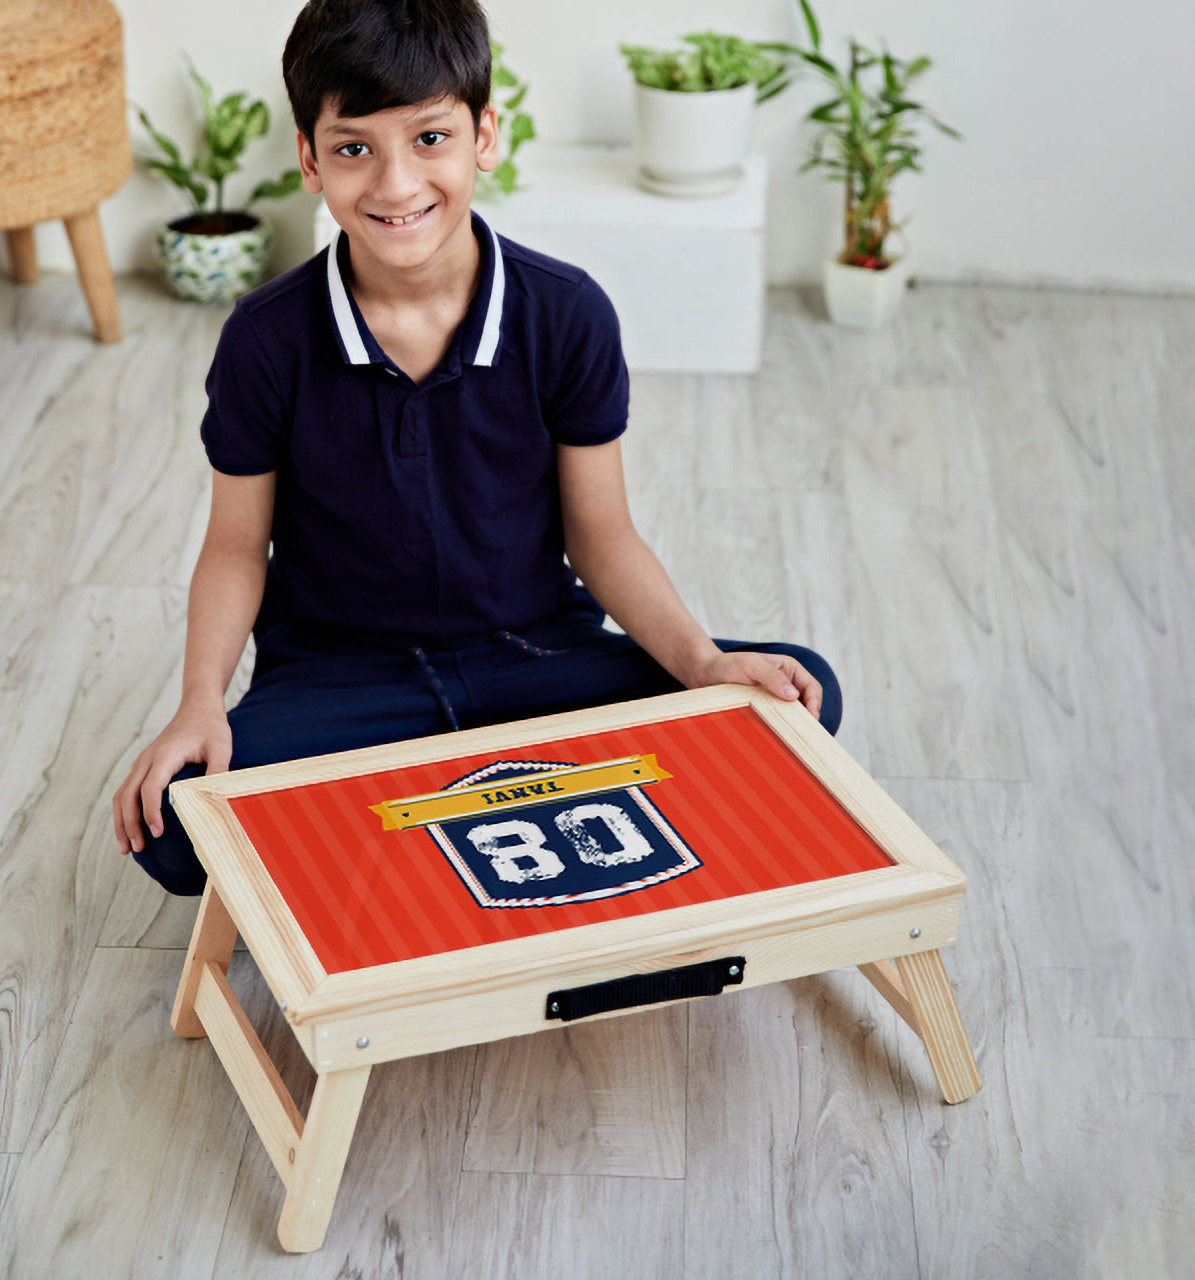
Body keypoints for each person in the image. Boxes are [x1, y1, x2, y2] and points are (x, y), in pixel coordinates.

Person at [113, 0, 842, 895]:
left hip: (535, 659)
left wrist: (701, 665)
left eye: (429, 138)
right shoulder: (266, 338)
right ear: (308, 159)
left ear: (483, 135)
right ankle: (496, 821)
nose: (394, 185)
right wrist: (198, 704)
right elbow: (234, 546)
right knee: (175, 820)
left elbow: (602, 535)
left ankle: (421, 833)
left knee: (794, 693)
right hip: (345, 680)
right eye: (353, 148)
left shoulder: (566, 312)